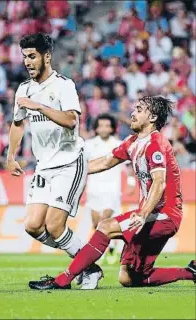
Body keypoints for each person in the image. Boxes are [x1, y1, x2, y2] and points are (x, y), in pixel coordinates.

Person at [29, 96, 196, 290]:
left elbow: (159, 183)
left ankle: (62, 280)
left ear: (152, 117)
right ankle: (190, 272)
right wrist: (66, 170)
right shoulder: (133, 142)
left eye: (139, 110)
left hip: (164, 215)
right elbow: (104, 162)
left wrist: (142, 215)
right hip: (151, 215)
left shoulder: (156, 144)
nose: (132, 113)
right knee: (129, 278)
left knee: (106, 226)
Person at [6, 33, 102, 290]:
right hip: (44, 166)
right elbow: (17, 124)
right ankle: (86, 262)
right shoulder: (24, 89)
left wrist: (38, 106)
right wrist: (11, 156)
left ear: (46, 56)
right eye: (24, 56)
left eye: (32, 56)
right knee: (33, 226)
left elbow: (72, 120)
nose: (27, 62)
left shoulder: (63, 85)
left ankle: (89, 269)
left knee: (55, 225)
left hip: (70, 161)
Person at [84, 114, 135, 265]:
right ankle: (111, 247)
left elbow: (128, 166)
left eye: (107, 126)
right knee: (95, 224)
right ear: (96, 128)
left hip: (112, 188)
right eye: (101, 126)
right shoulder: (89, 144)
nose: (104, 128)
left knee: (104, 220)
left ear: (112, 128)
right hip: (93, 188)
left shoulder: (118, 144)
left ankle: (102, 252)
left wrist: (131, 182)